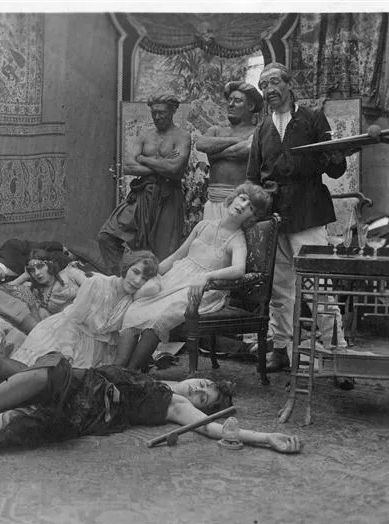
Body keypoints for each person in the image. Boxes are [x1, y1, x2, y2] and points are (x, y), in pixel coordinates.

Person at [0, 351, 302, 461]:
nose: (199, 389)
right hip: (79, 380)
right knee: (47, 373)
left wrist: (265, 437)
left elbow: (214, 429)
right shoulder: (158, 377)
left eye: (205, 397)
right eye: (204, 383)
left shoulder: (175, 405)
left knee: (18, 423)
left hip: (91, 410)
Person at [246, 62, 353, 374]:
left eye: (274, 82)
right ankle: (281, 349)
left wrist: (337, 155)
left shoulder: (312, 118)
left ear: (289, 84)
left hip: (308, 211)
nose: (269, 90)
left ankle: (338, 357)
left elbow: (336, 169)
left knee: (319, 287)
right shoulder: (261, 130)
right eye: (264, 86)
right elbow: (252, 177)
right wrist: (256, 210)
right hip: (274, 217)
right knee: (280, 290)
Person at [115, 182, 272, 371]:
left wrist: (207, 277)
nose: (243, 205)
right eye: (243, 198)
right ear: (233, 198)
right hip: (175, 279)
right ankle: (118, 368)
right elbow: (177, 256)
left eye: (251, 207)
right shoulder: (203, 225)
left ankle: (130, 373)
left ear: (251, 217)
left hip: (203, 290)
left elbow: (239, 269)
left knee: (158, 318)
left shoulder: (237, 239)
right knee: (135, 308)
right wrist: (151, 275)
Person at [8, 250, 159, 369]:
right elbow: (72, 321)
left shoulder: (133, 301)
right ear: (126, 268)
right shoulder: (96, 283)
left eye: (144, 278)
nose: (137, 281)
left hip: (98, 351)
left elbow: (158, 284)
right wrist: (67, 351)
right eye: (136, 272)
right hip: (64, 337)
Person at [98, 95, 191, 274]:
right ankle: (124, 276)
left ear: (173, 111)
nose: (157, 117)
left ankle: (154, 287)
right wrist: (161, 164)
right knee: (106, 236)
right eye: (154, 112)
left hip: (168, 197)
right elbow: (128, 166)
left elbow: (174, 169)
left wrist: (143, 158)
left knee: (163, 254)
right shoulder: (145, 135)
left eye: (162, 112)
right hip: (141, 194)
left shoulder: (182, 137)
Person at [196, 81, 264, 220]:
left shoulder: (257, 132)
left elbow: (242, 151)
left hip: (241, 202)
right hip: (213, 199)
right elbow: (201, 144)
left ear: (250, 106)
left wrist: (215, 154)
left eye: (237, 100)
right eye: (230, 100)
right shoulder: (216, 130)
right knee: (211, 233)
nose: (231, 104)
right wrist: (237, 139)